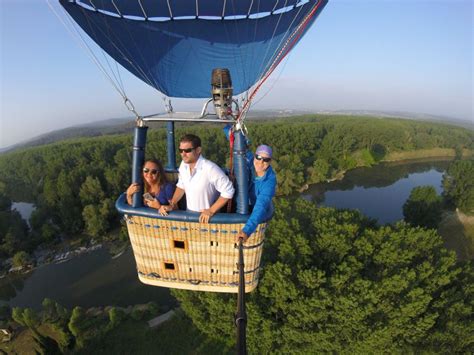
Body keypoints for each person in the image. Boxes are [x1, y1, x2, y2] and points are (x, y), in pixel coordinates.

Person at [162, 134, 235, 223]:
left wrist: (211, 210)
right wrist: (172, 204)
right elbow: (181, 186)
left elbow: (228, 190)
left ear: (198, 150)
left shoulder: (210, 168)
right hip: (190, 217)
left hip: (208, 220)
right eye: (180, 150)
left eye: (187, 150)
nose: (183, 154)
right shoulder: (183, 165)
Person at [236, 143, 277, 243]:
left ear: (270, 161)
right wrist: (230, 129)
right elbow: (240, 145)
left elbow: (261, 206)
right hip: (241, 199)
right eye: (258, 157)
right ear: (254, 157)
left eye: (266, 159)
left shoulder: (269, 182)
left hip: (252, 208)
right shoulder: (250, 162)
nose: (261, 161)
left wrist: (247, 230)